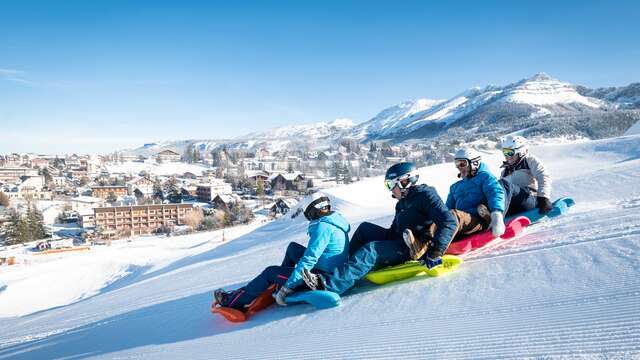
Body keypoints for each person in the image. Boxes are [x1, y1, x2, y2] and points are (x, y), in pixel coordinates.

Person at [301, 162, 458, 295]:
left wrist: (436, 252)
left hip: (411, 247)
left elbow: (449, 221)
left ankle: (329, 284)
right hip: (398, 238)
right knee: (364, 229)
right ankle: (341, 267)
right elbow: (393, 230)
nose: (390, 189)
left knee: (371, 250)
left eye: (390, 185)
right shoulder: (402, 202)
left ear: (404, 181)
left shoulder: (426, 196)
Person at [213, 192, 350, 309]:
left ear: (313, 210)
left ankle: (233, 301)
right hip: (329, 266)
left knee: (269, 272)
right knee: (293, 248)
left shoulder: (323, 227)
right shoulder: (334, 220)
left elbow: (309, 259)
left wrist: (288, 287)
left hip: (320, 276)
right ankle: (279, 282)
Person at [446, 148, 506, 238]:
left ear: (475, 163)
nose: (459, 168)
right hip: (461, 222)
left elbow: (495, 192)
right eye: (457, 164)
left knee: (454, 216)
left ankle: (488, 218)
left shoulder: (485, 177)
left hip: (477, 219)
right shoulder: (454, 187)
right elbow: (447, 208)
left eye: (462, 164)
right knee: (446, 216)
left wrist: (496, 215)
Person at [499, 135, 553, 215]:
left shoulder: (529, 161)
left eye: (510, 152)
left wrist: (544, 198)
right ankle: (490, 218)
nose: (507, 156)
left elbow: (543, 176)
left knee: (505, 185)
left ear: (521, 151)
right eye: (505, 152)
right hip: (513, 204)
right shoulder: (505, 171)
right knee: (496, 187)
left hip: (529, 200)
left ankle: (498, 216)